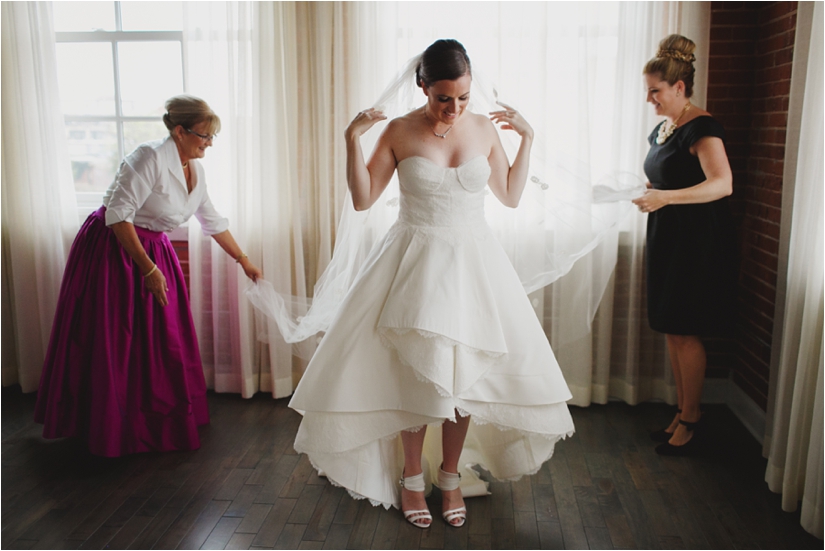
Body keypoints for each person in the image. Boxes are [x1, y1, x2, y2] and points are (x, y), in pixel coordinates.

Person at [287, 39, 574, 528]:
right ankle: (412, 479)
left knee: (466, 375)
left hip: (474, 265)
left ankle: (450, 475)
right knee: (417, 374)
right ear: (422, 86)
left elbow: (508, 194)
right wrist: (350, 141)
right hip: (413, 261)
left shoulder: (483, 128)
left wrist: (527, 138)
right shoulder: (399, 131)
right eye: (444, 97)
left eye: (462, 97)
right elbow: (362, 200)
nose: (454, 108)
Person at [34, 95, 262, 457]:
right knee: (115, 335)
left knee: (161, 336)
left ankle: (152, 420)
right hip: (114, 249)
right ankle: (108, 423)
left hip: (153, 248)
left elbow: (212, 220)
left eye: (212, 137)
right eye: (204, 136)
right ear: (179, 131)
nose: (209, 143)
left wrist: (243, 259)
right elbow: (117, 215)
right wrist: (148, 269)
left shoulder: (195, 170)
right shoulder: (149, 157)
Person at [632, 35, 737, 456]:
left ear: (679, 88)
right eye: (648, 91)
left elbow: (723, 184)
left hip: (696, 241)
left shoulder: (703, 126)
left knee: (685, 329)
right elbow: (670, 176)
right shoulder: (663, 129)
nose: (649, 99)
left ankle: (692, 418)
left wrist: (666, 197)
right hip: (668, 234)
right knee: (672, 328)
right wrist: (650, 189)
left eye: (655, 91)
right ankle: (682, 410)